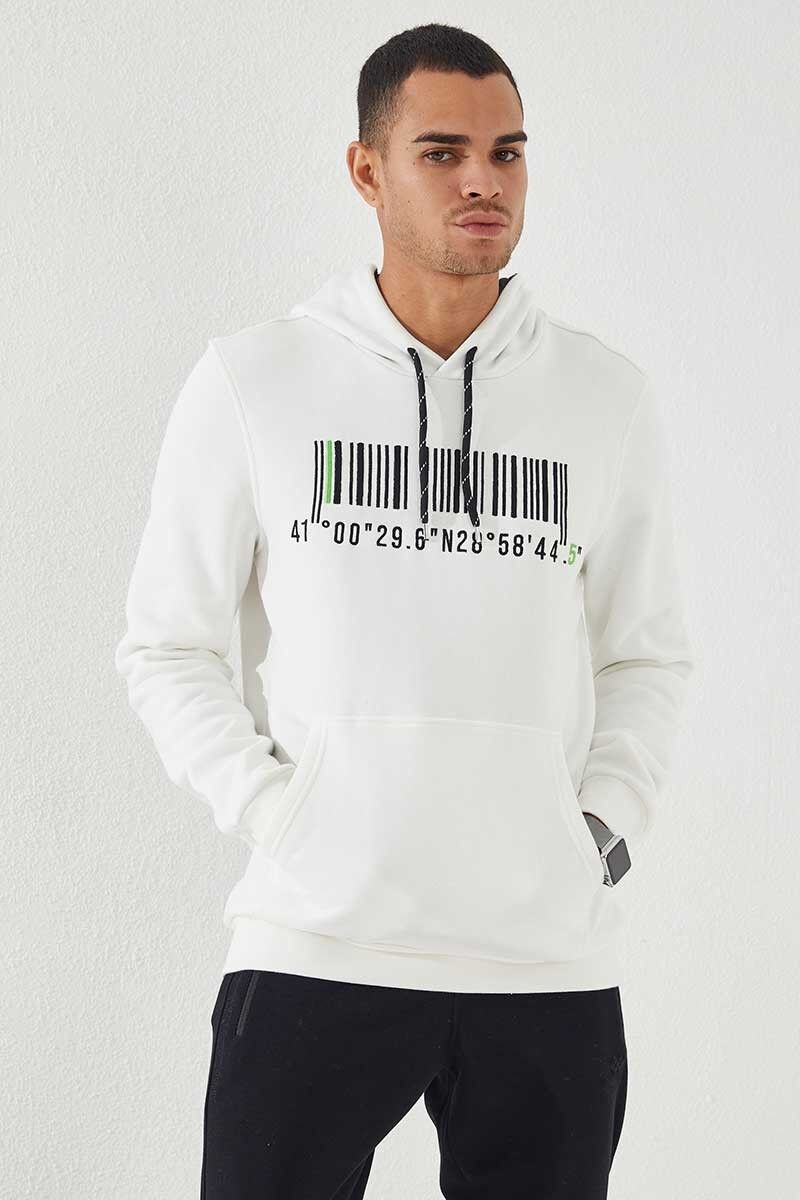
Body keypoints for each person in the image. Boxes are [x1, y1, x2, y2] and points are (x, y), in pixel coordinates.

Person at [114, 22, 695, 1200]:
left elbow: (646, 656)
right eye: (442, 152)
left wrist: (596, 827)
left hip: (542, 966)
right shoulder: (255, 381)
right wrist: (278, 813)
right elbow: (167, 644)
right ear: (366, 170)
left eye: (506, 151)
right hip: (315, 943)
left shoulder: (602, 398)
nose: (484, 180)